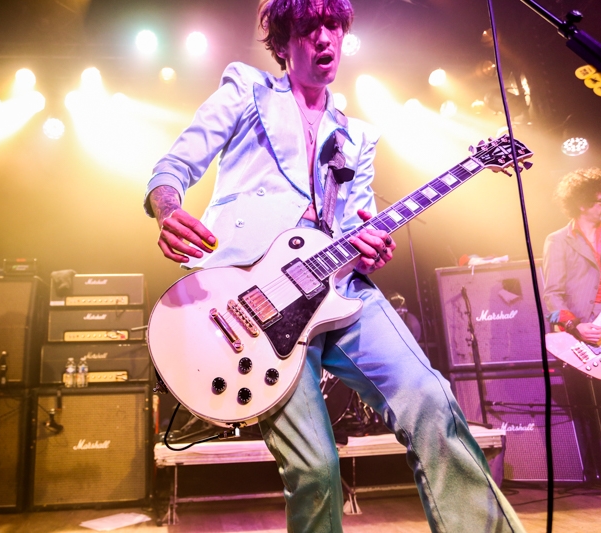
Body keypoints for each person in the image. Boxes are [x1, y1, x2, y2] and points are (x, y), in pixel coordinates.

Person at [143, 1, 525, 531]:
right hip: (250, 300)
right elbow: (174, 165)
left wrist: (369, 247)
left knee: (433, 402)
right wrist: (168, 210)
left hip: (338, 291)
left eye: (334, 26)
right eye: (309, 27)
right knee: (316, 469)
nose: (325, 38)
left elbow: (352, 226)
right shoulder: (248, 90)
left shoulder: (356, 136)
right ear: (284, 41)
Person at [543, 167, 601, 501]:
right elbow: (552, 296)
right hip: (592, 326)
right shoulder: (558, 240)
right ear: (581, 203)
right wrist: (574, 325)